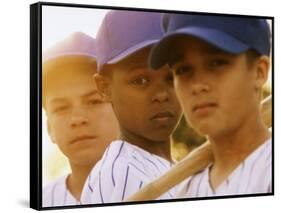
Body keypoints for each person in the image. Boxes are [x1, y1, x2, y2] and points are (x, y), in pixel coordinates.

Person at [149, 14, 272, 197]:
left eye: (217, 63)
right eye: (183, 70)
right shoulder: (184, 193)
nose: (197, 85)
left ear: (259, 72)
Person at [80, 11, 182, 204]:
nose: (161, 94)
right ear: (105, 88)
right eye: (140, 80)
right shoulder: (126, 176)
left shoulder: (164, 169)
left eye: (172, 77)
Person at [42, 32, 119, 206]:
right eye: (61, 108)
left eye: (94, 101)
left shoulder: (172, 189)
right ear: (49, 129)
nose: (77, 119)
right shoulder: (43, 201)